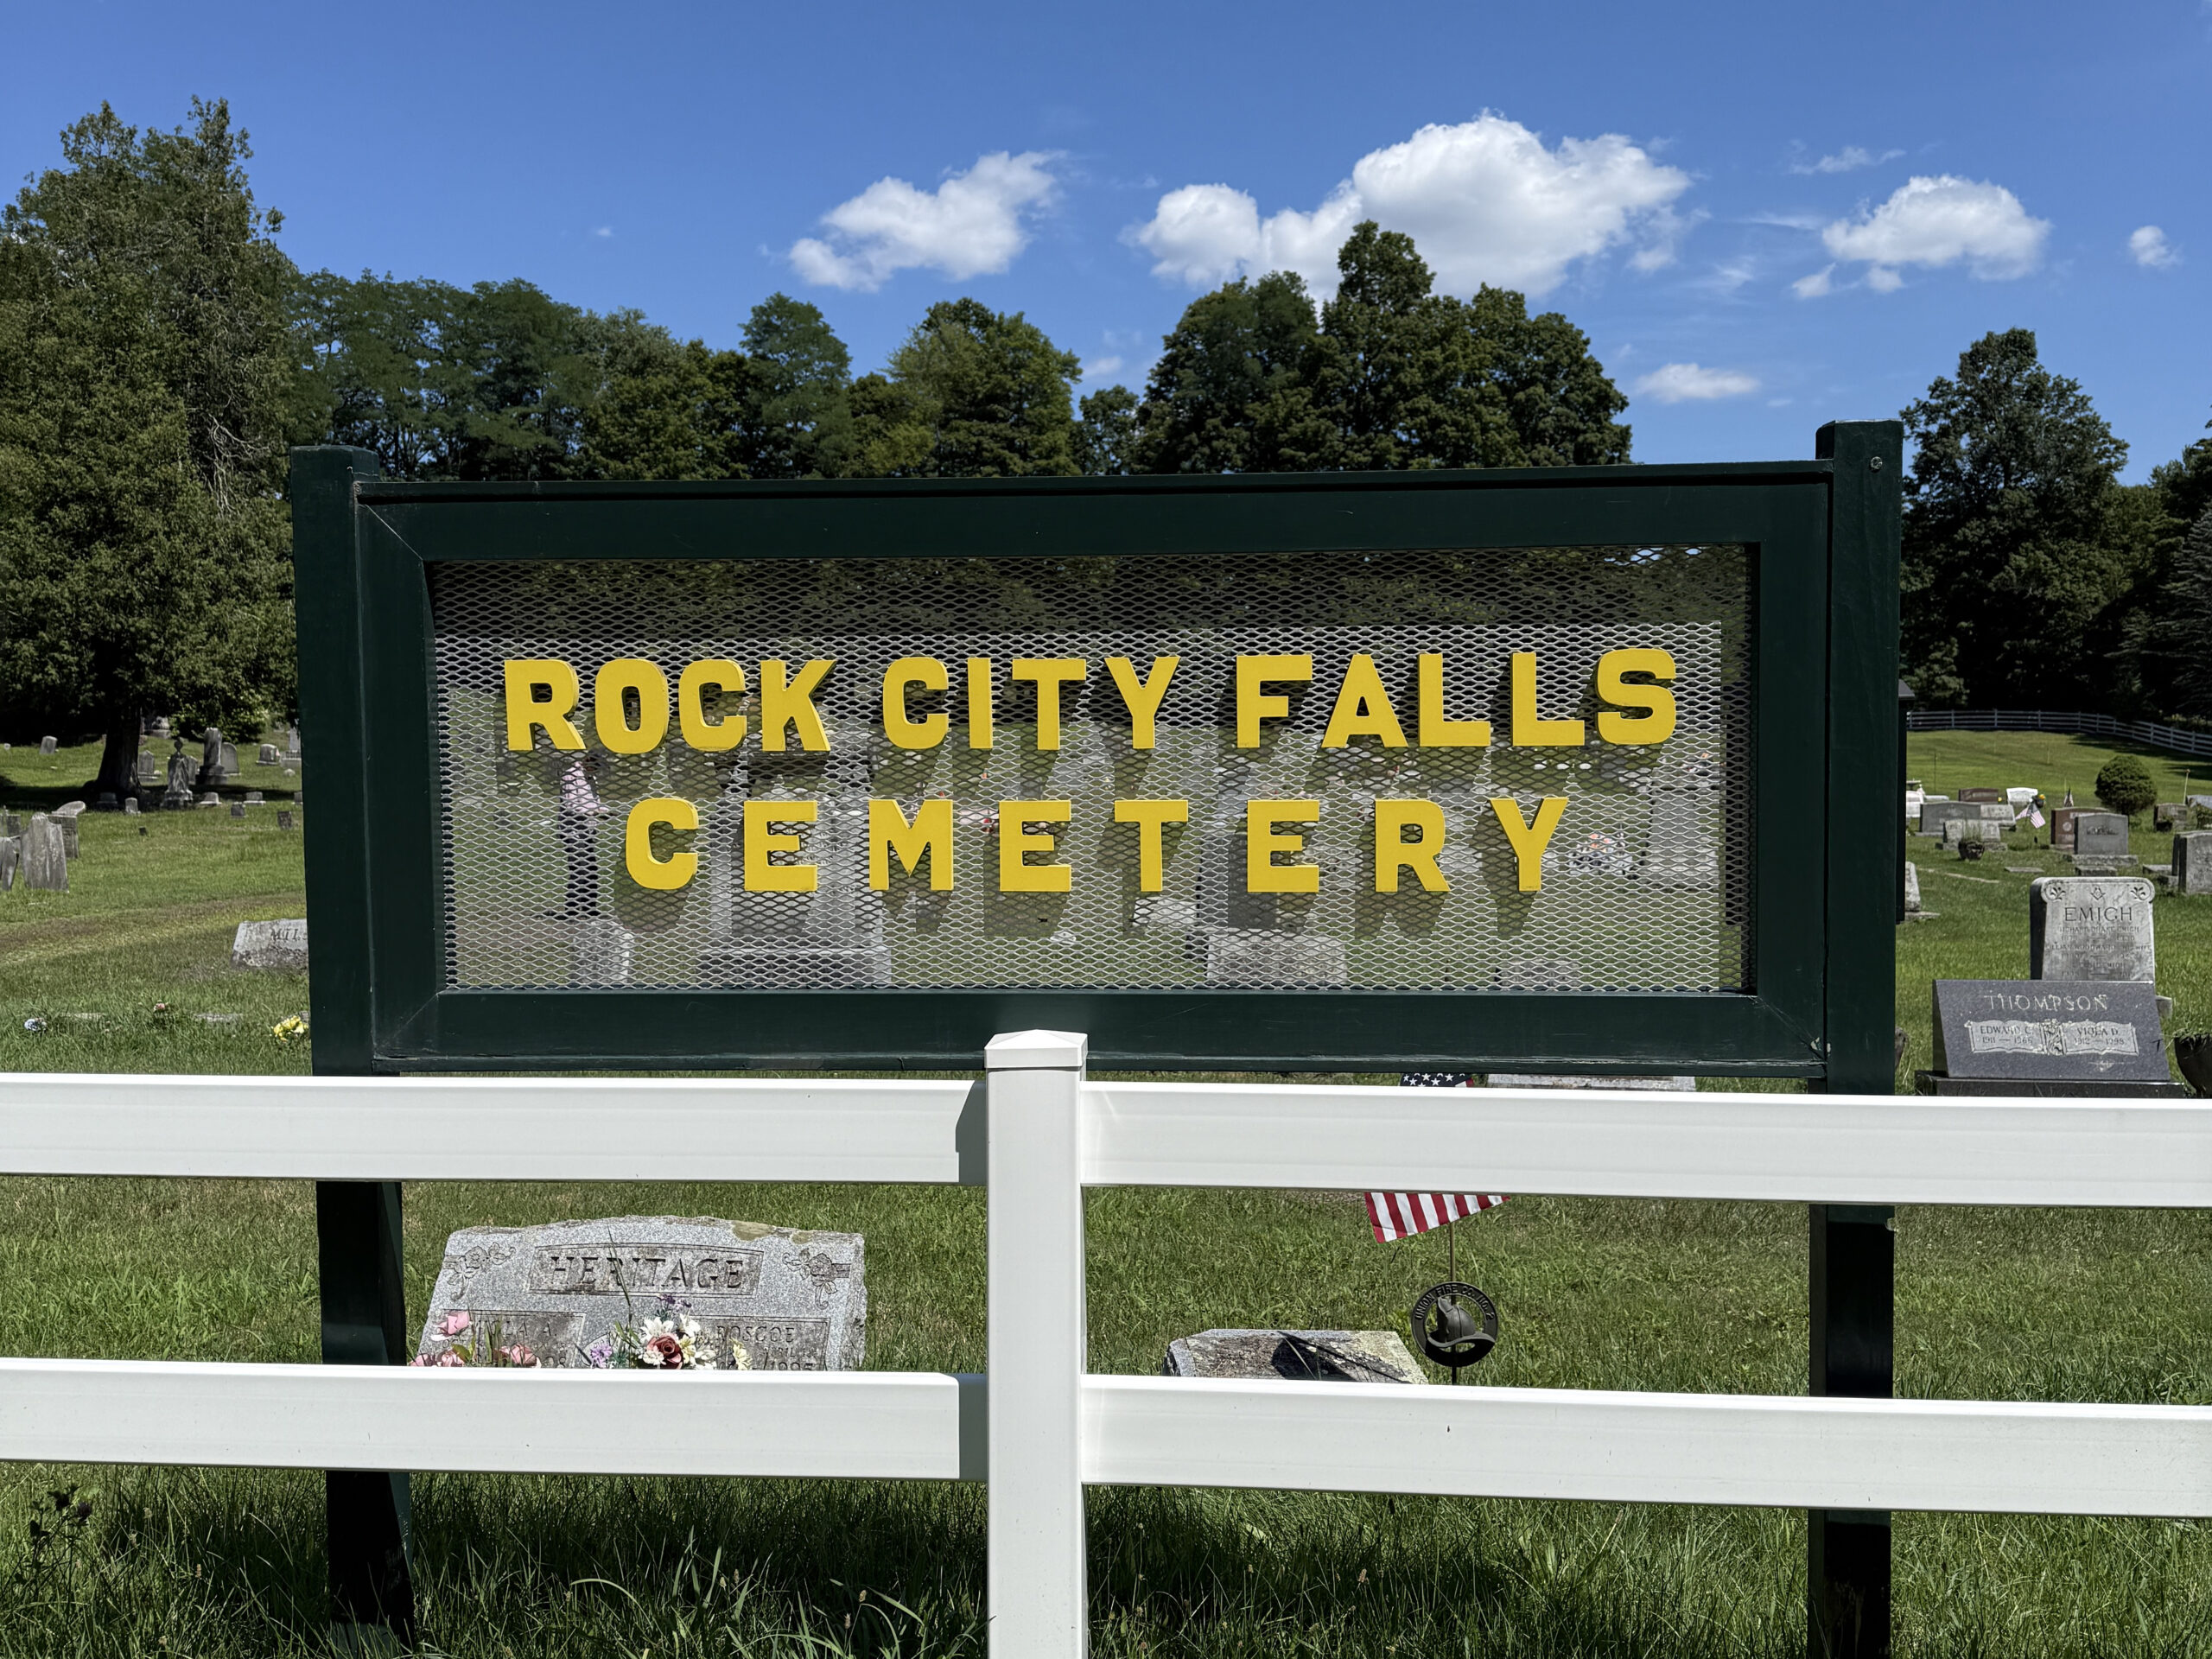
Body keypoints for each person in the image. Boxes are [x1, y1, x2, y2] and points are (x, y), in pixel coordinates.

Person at [556, 753, 610, 918]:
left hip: (588, 830)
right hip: (574, 831)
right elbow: (572, 805)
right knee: (580, 870)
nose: (596, 771)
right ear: (587, 761)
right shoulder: (571, 776)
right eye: (595, 766)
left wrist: (604, 811)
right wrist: (594, 812)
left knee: (591, 870)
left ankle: (589, 908)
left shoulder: (590, 777)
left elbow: (594, 801)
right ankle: (572, 910)